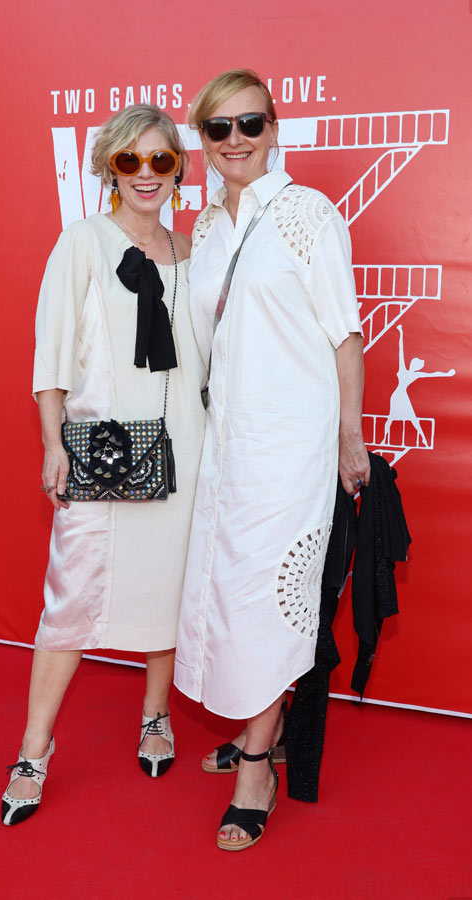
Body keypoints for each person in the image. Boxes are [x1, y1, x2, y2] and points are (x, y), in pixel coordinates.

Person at [174, 69, 370, 851]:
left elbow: (343, 333)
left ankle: (257, 765)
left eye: (249, 124)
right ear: (203, 140)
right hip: (228, 447)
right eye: (218, 130)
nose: (234, 142)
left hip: (291, 444)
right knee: (230, 595)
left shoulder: (307, 215)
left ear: (273, 128)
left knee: (266, 600)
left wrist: (350, 434)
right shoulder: (208, 228)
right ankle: (271, 721)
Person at [1, 104, 206, 826]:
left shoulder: (195, 252)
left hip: (188, 447)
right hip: (108, 448)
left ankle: (155, 715)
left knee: (170, 587)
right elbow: (50, 355)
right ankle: (33, 750)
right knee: (69, 603)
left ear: (179, 166)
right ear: (108, 168)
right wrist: (54, 443)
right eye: (130, 161)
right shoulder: (83, 242)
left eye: (160, 160)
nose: (146, 175)